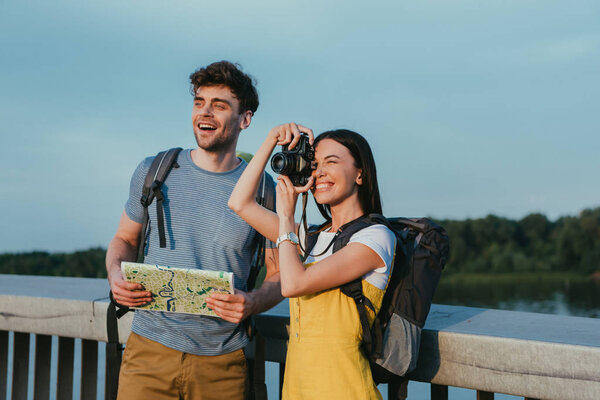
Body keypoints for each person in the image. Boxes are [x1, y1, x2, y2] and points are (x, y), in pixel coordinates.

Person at [105, 61, 282, 400]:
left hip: (222, 363)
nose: (205, 113)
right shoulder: (154, 170)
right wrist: (115, 277)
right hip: (148, 353)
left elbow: (279, 274)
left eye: (219, 105)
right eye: (199, 102)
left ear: (245, 119)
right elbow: (124, 240)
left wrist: (254, 302)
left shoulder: (263, 190)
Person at [228, 123, 396, 399]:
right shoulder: (313, 237)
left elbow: (293, 284)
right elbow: (239, 202)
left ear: (360, 174)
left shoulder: (376, 238)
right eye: (314, 164)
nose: (319, 173)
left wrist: (285, 218)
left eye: (331, 162)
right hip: (298, 389)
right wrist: (271, 140)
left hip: (346, 390)